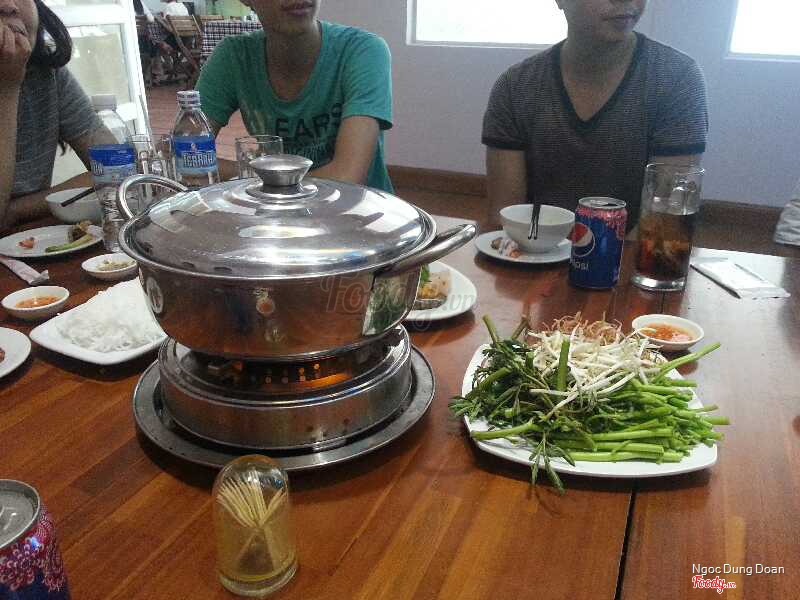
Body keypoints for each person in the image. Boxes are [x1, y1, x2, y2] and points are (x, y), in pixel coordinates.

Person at [482, 0, 708, 229]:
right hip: (534, 248)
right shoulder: (515, 87)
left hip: (633, 250)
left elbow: (665, 220)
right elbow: (504, 219)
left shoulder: (677, 79)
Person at [196, 0, 394, 192]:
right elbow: (189, 157)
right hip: (276, 210)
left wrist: (259, 177)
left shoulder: (362, 50)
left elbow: (346, 179)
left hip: (360, 211)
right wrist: (265, 178)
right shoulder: (234, 57)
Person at [0, 0, 102, 229]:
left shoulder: (46, 72)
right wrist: (7, 88)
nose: (9, 6)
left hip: (31, 238)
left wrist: (16, 210)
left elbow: (116, 168)